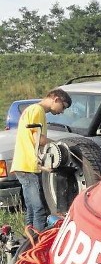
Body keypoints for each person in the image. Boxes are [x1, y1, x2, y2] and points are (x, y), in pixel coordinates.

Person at [11, 88, 71, 232]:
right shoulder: (37, 111)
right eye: (63, 107)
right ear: (56, 99)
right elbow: (38, 139)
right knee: (39, 209)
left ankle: (29, 237)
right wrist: (61, 145)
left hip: (23, 164)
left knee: (31, 208)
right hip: (28, 166)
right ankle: (39, 241)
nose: (61, 111)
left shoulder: (31, 110)